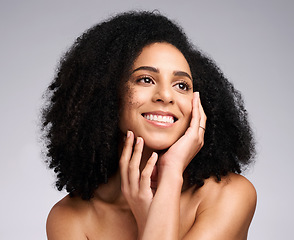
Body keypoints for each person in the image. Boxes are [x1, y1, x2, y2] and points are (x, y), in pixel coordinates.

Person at [42, 11, 257, 240]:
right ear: (105, 95)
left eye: (181, 85)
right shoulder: (69, 218)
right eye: (145, 79)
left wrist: (171, 174)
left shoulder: (229, 195)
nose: (166, 95)